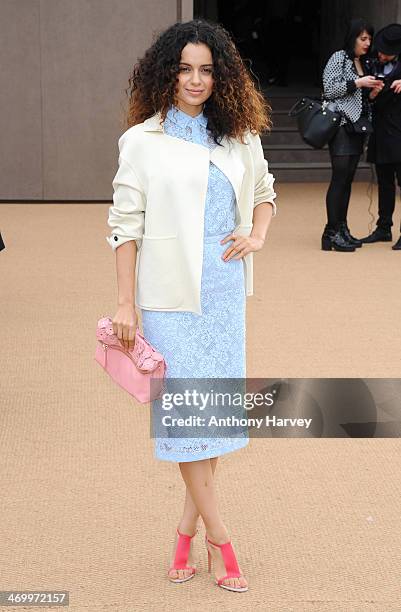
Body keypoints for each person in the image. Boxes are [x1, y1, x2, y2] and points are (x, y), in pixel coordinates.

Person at [106, 19, 277, 592]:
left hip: (225, 297)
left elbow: (265, 196)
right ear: (165, 72)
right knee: (187, 425)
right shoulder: (142, 141)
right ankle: (221, 540)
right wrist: (125, 304)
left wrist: (255, 237)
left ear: (221, 74)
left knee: (212, 422)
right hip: (169, 299)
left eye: (206, 69)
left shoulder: (240, 136)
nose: (195, 80)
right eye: (184, 68)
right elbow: (125, 226)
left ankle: (184, 532)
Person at [321, 18, 381, 252]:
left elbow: (358, 98)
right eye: (362, 38)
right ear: (352, 38)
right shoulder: (339, 57)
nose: (367, 43)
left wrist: (372, 92)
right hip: (342, 126)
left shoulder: (361, 62)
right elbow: (329, 89)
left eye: (369, 39)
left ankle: (341, 228)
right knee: (339, 179)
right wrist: (358, 82)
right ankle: (330, 233)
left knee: (347, 181)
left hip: (357, 126)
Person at [361, 23, 401, 250]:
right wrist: (373, 93)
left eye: (386, 51)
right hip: (381, 132)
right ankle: (383, 227)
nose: (380, 54)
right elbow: (366, 99)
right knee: (384, 183)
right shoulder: (371, 63)